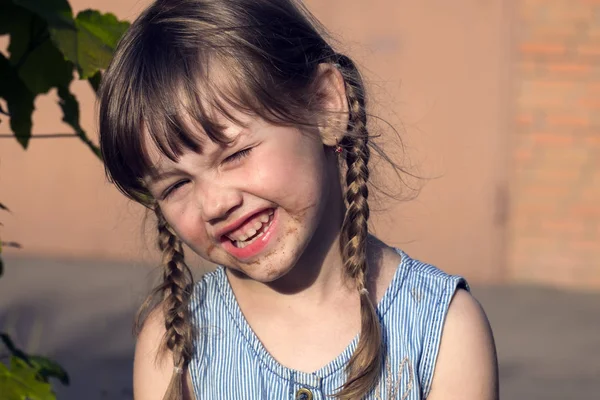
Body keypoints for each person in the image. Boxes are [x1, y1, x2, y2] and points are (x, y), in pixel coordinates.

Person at [98, 0, 498, 399]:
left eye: (235, 154)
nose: (215, 204)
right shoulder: (173, 347)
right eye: (175, 186)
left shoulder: (443, 332)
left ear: (325, 105)